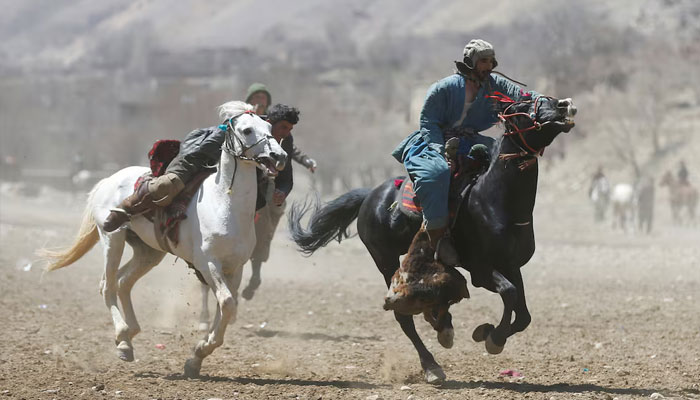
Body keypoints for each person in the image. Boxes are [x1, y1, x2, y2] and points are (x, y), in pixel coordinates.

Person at [391, 39, 539, 265]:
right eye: (483, 61)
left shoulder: (494, 84)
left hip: (471, 140)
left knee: (507, 162)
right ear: (471, 62)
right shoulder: (444, 88)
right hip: (435, 139)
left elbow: (523, 97)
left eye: (490, 60)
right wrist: (440, 151)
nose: (488, 66)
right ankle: (438, 239)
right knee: (437, 173)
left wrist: (549, 105)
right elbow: (428, 121)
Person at [242, 103, 301, 299]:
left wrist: (282, 191)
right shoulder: (252, 127)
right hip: (241, 183)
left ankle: (256, 272)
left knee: (266, 222)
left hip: (264, 187)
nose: (285, 133)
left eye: (289, 129)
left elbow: (287, 171)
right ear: (270, 123)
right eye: (283, 127)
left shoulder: (286, 140)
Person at [245, 83, 317, 172]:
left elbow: (287, 143)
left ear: (267, 101)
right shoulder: (243, 120)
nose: (260, 100)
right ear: (250, 100)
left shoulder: (276, 121)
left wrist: (304, 160)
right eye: (256, 97)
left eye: (263, 97)